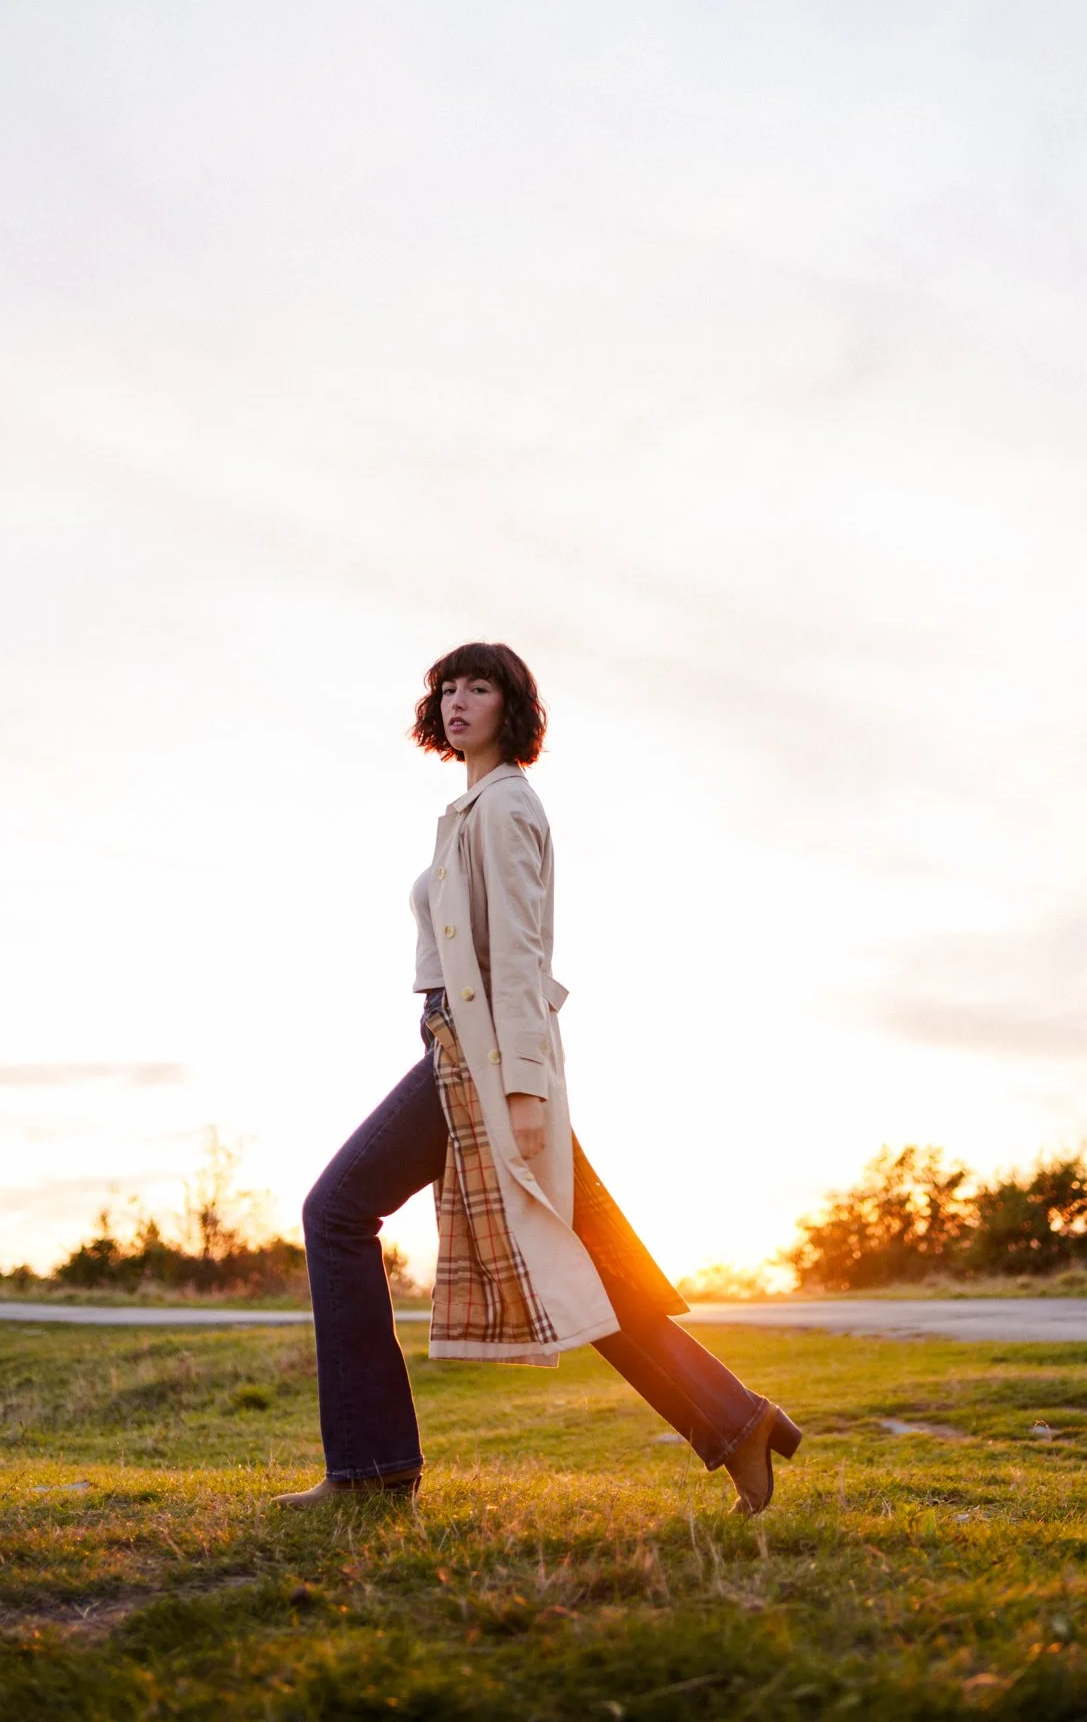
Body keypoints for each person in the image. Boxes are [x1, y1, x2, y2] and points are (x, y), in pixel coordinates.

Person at [276, 642, 801, 1514]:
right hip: (465, 1051)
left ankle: (371, 1474)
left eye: (478, 686)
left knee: (335, 1212)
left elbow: (518, 957)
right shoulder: (475, 805)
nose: (456, 700)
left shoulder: (505, 807)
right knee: (576, 1265)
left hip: (481, 1063)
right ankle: (734, 1419)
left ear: (511, 705)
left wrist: (521, 1087)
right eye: (447, 687)